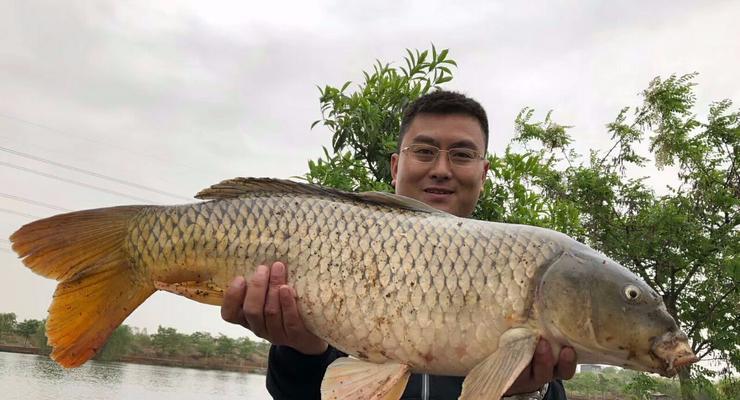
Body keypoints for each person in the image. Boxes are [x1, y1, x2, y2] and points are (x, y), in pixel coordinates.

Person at [221, 91, 577, 399]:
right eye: (423, 151)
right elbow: (297, 395)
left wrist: (527, 392)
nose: (441, 168)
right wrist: (301, 351)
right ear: (396, 166)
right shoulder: (333, 238)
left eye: (462, 155)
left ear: (483, 175)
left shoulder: (523, 269)